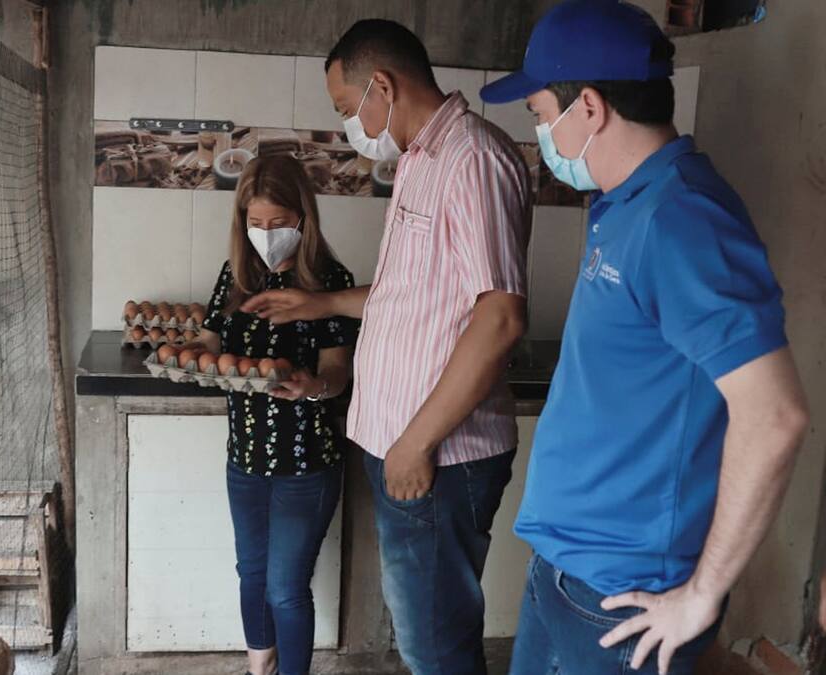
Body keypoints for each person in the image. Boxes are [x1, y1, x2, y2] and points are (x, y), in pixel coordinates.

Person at [478, 2, 811, 674]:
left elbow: (775, 415)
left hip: (622, 597)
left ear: (589, 107)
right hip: (566, 570)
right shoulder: (627, 201)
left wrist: (702, 596)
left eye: (540, 113)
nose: (540, 130)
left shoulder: (683, 218)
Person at [244, 19, 530, 675]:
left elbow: (499, 316)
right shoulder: (420, 162)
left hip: (439, 454)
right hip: (403, 446)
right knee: (424, 633)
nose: (350, 124)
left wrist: (414, 443)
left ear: (382, 85)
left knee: (436, 644)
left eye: (347, 108)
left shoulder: (472, 158)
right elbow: (414, 295)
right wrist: (320, 304)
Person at [192, 154, 359, 675]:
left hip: (305, 463)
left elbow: (338, 373)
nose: (266, 234)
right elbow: (210, 341)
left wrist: (313, 387)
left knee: (285, 588)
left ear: (303, 218)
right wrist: (192, 353)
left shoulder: (331, 282)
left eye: (279, 222)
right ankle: (259, 668)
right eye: (256, 222)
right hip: (244, 458)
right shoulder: (236, 276)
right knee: (251, 574)